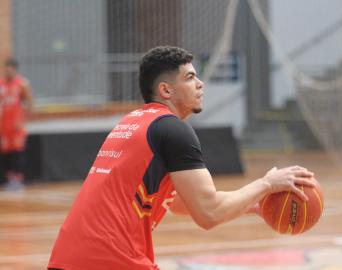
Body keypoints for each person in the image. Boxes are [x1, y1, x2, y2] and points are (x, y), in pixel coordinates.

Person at [48, 46, 315, 270]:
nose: (200, 84)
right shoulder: (173, 129)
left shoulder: (134, 121)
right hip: (111, 259)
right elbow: (208, 214)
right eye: (189, 77)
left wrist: (250, 205)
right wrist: (267, 184)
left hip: (69, 257)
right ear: (166, 90)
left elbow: (174, 202)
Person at [0, 58, 33, 191]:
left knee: (17, 151)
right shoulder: (1, 83)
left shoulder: (22, 84)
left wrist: (25, 119)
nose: (7, 71)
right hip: (3, 124)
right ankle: (8, 179)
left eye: (10, 69)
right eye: (5, 68)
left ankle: (17, 179)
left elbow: (29, 102)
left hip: (17, 125)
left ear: (15, 69)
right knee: (5, 152)